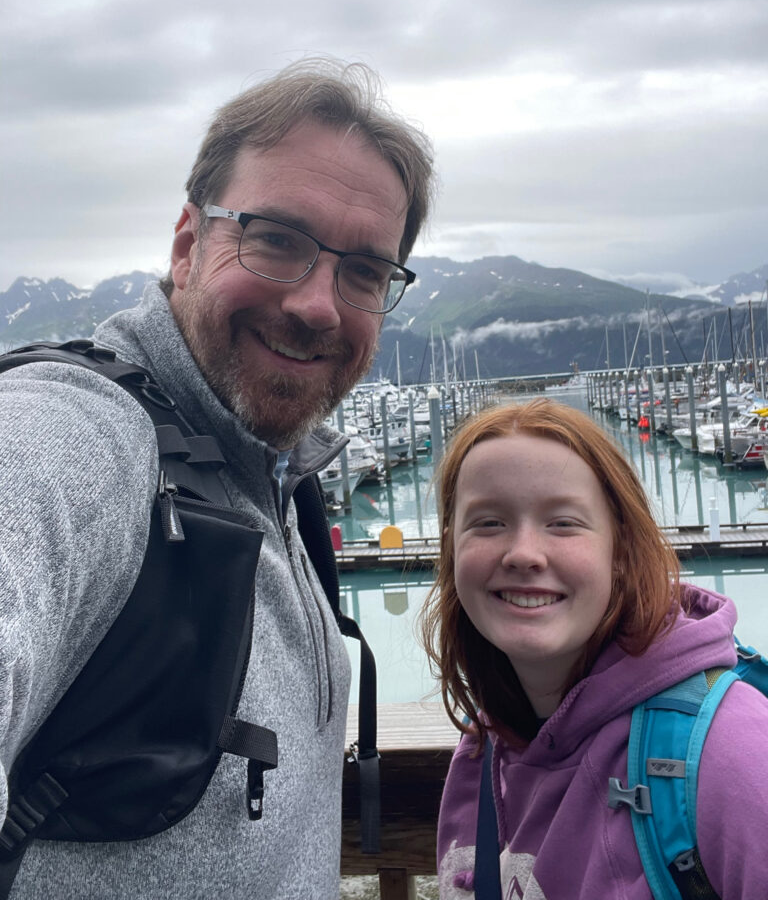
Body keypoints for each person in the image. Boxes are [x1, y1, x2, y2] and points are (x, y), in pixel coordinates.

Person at [0, 58, 434, 898]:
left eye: (364, 272)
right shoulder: (79, 432)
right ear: (189, 244)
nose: (318, 304)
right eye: (277, 240)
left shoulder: (278, 470)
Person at [420, 398, 768, 899]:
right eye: (489, 522)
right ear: (451, 547)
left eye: (562, 522)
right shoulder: (487, 741)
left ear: (620, 551)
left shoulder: (727, 751)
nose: (522, 552)